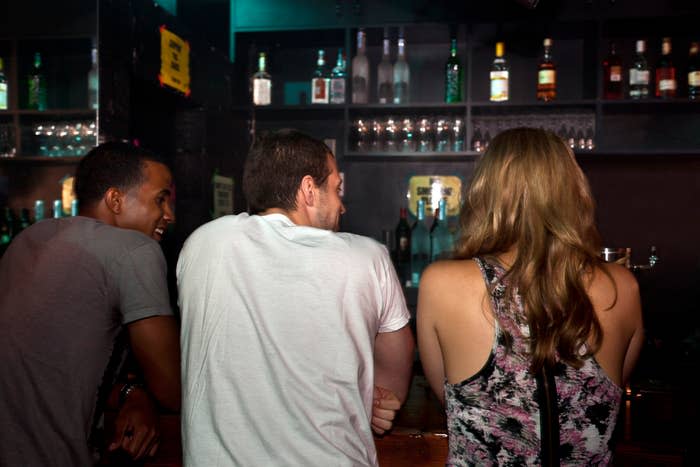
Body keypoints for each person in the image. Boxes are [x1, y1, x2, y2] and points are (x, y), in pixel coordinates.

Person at [177, 129, 415, 466]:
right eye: (336, 190)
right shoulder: (367, 257)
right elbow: (395, 367)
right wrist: (379, 403)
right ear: (308, 190)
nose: (342, 206)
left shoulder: (203, 244)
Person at [417, 128, 644, 465]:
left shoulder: (443, 283)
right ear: (573, 191)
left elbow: (450, 396)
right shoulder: (622, 286)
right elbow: (611, 390)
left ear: (485, 192)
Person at [0, 142, 181, 466]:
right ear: (114, 199)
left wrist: (132, 393)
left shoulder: (28, 240)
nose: (169, 214)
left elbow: (66, 370)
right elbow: (173, 389)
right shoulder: (134, 250)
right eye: (160, 199)